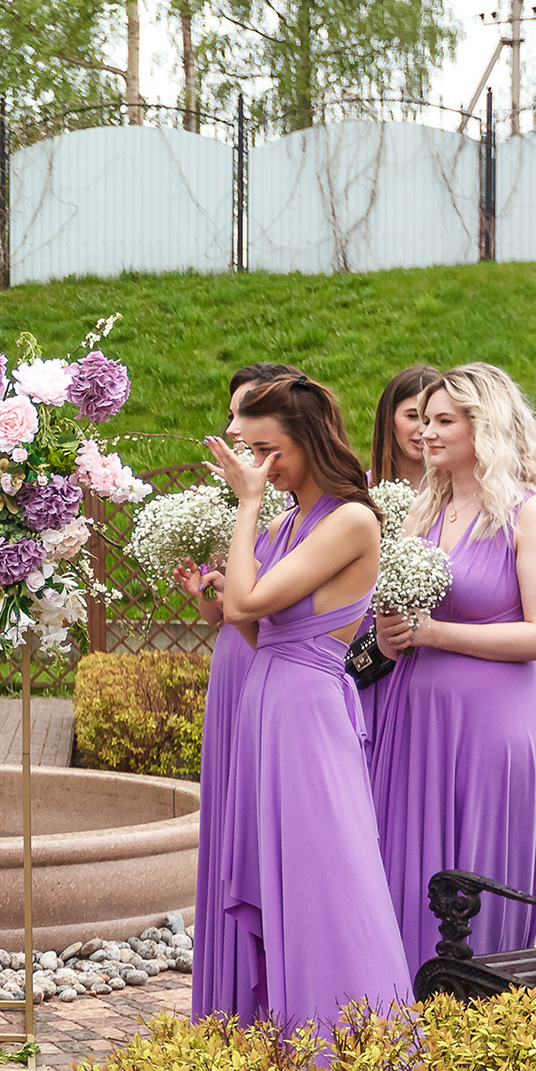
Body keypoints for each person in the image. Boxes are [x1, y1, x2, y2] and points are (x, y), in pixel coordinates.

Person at [201, 376, 412, 1037]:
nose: (256, 464)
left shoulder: (351, 519)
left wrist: (246, 507)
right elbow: (250, 626)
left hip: (308, 712)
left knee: (329, 880)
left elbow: (249, 603)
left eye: (266, 449)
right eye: (249, 450)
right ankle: (288, 1039)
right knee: (285, 885)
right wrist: (216, 586)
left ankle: (350, 1049)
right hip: (268, 705)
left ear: (306, 442)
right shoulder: (289, 519)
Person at [367, 366, 536, 968]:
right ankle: (401, 1006)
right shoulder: (424, 510)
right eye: (424, 420)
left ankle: (477, 1017)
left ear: (485, 426)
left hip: (493, 724)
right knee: (408, 868)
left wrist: (434, 633)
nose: (426, 433)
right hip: (415, 719)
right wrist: (388, 627)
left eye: (442, 421)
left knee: (477, 877)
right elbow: (395, 600)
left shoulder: (531, 513)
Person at [177, 362, 300, 1020]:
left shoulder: (303, 508)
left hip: (279, 674)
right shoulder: (243, 497)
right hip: (235, 666)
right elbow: (236, 612)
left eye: (243, 415)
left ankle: (264, 996)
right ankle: (226, 1000)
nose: (229, 427)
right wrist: (208, 601)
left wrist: (238, 603)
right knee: (227, 825)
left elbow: (280, 615)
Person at [370, 364, 445, 485]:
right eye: (412, 416)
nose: (424, 430)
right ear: (389, 418)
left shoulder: (464, 494)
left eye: (430, 420)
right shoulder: (360, 492)